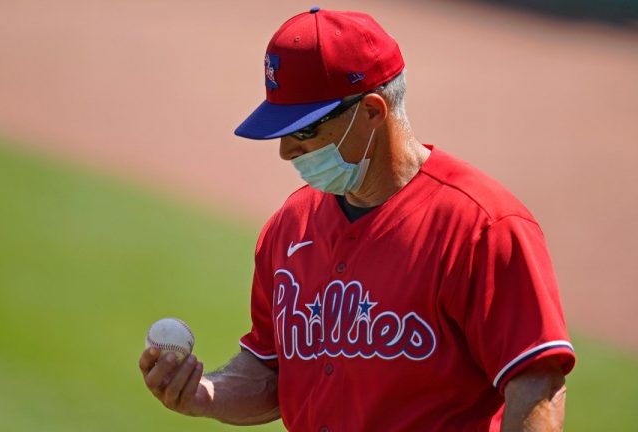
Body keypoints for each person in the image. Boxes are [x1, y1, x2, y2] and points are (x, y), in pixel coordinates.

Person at [139, 7, 575, 431]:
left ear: (371, 112)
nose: (286, 151)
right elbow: (270, 370)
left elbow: (536, 383)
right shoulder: (290, 226)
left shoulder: (483, 228)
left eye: (304, 130)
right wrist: (205, 395)